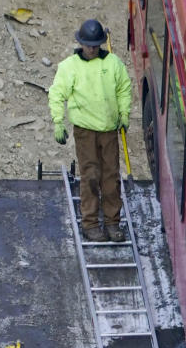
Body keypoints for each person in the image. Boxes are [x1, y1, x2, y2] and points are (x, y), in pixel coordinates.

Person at [48, 18, 132, 242]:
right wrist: (58, 121)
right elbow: (57, 93)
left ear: (101, 43)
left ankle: (113, 223)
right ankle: (91, 223)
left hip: (109, 130)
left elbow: (124, 88)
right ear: (81, 43)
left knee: (111, 177)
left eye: (96, 45)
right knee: (91, 176)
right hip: (85, 130)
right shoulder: (69, 67)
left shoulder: (114, 64)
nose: (92, 49)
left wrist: (124, 113)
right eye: (88, 45)